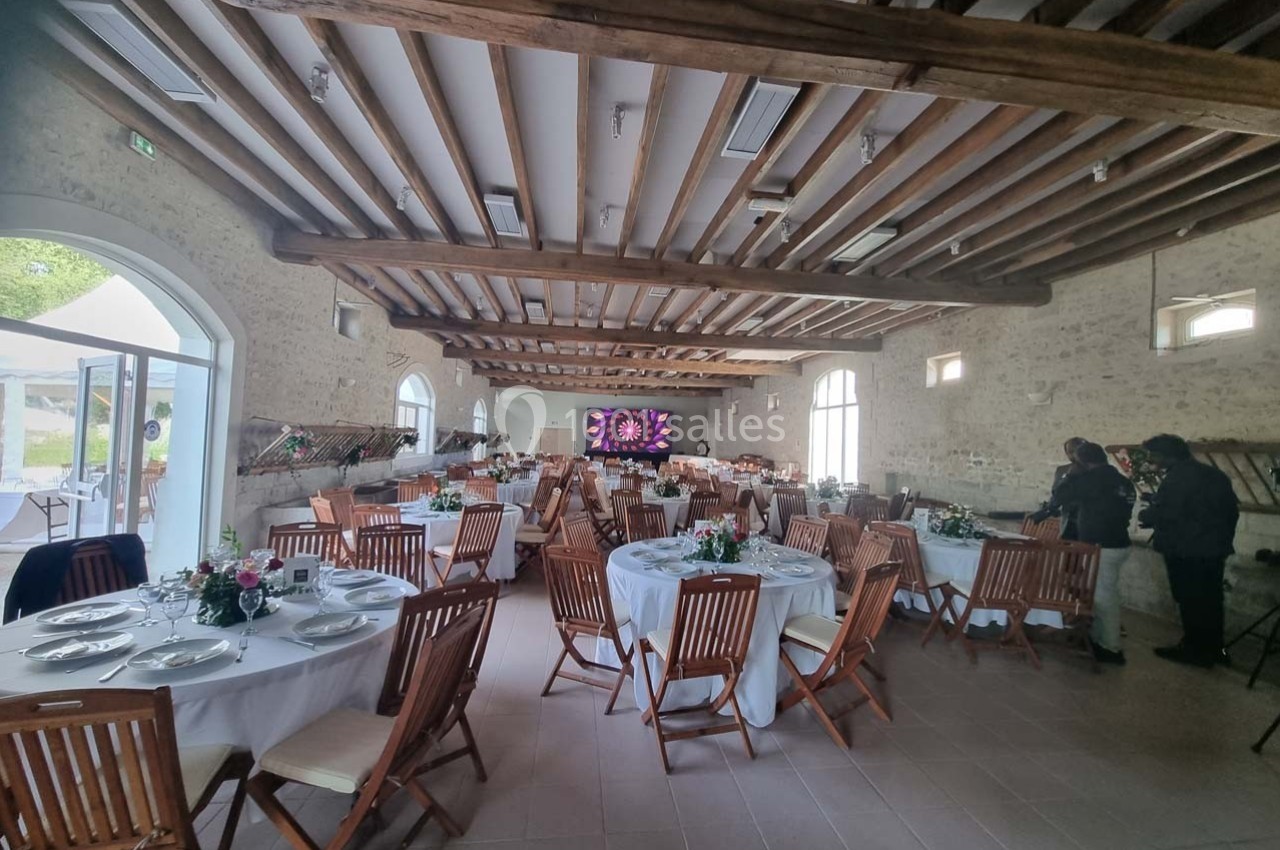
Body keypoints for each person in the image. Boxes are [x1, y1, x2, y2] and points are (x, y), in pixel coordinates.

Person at [1138, 434, 1239, 668]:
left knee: (1190, 600)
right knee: (1211, 599)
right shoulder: (1213, 474)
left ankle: (1195, 650)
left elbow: (1168, 512)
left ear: (1166, 456)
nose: (1151, 460)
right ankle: (1215, 648)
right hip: (1213, 549)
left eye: (1153, 455)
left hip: (1186, 550)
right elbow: (1225, 510)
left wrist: (1147, 514)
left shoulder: (1178, 477)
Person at [1031, 442, 1135, 664]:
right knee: (1101, 593)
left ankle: (1111, 648)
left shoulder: (1092, 479)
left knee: (1104, 597)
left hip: (1101, 545)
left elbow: (1060, 495)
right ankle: (1098, 638)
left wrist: (1072, 474)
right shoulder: (1121, 481)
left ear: (1082, 462)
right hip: (1119, 542)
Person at [1045, 437, 1088, 538]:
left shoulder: (1096, 471)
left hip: (1088, 521)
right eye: (1071, 451)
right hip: (1070, 519)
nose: (1074, 454)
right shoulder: (1063, 470)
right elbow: (1056, 493)